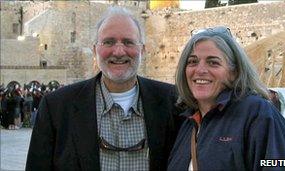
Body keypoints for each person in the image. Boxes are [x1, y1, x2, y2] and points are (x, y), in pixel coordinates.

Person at [26, 6, 182, 171]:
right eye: (109, 42)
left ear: (143, 49)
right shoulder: (57, 107)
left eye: (128, 42)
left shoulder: (173, 102)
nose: (119, 51)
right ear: (95, 50)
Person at [167, 26, 285, 170]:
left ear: (234, 72)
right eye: (192, 62)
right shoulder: (188, 122)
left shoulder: (258, 114)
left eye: (213, 62)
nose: (200, 70)